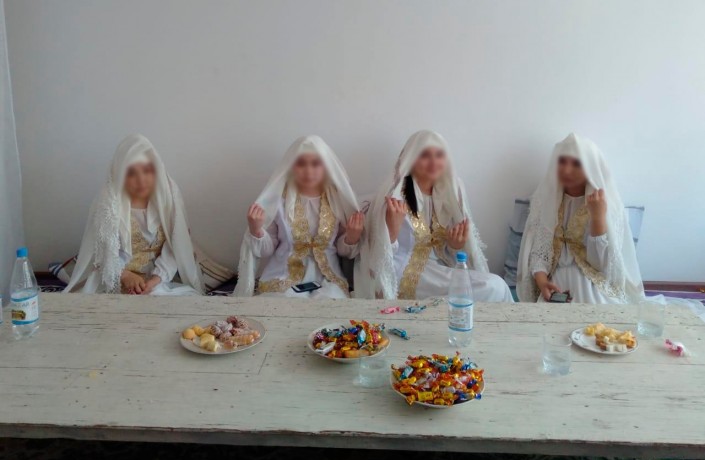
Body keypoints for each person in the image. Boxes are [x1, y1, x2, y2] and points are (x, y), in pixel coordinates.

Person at [364, 130, 513, 302]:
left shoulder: (449, 193)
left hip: (440, 270)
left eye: (439, 155)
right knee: (493, 287)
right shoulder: (395, 197)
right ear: (411, 159)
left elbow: (451, 251)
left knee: (495, 285)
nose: (433, 162)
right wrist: (391, 231)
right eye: (425, 155)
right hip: (405, 275)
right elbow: (378, 257)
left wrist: (456, 245)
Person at [65, 134, 203, 295]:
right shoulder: (109, 204)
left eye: (146, 171)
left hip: (157, 281)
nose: (141, 180)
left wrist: (156, 279)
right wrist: (125, 275)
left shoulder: (167, 199)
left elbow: (176, 246)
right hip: (115, 278)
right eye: (131, 173)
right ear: (120, 175)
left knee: (182, 301)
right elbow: (103, 253)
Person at [517, 133, 644, 304]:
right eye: (562, 162)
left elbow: (603, 266)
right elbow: (539, 253)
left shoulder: (605, 204)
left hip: (592, 286)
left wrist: (598, 217)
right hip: (556, 287)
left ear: (590, 167)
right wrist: (542, 282)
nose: (567, 170)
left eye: (577, 164)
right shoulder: (547, 201)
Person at [234, 135, 365, 298]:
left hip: (328, 278)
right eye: (301, 164)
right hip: (283, 275)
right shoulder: (279, 201)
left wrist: (351, 238)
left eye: (315, 164)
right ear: (291, 166)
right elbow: (267, 249)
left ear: (326, 166)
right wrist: (256, 230)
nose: (308, 171)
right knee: (284, 302)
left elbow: (342, 250)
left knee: (332, 301)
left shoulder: (337, 200)